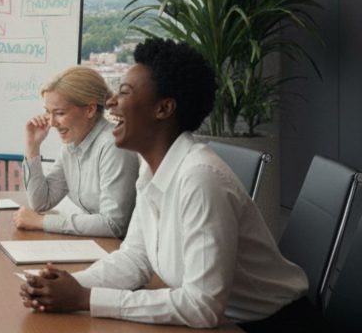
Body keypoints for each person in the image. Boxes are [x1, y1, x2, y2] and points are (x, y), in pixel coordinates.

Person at [18, 38, 308, 330]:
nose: (111, 102)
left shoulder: (200, 178)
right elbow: (136, 259)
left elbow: (201, 307)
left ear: (164, 108)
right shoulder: (151, 169)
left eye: (125, 92)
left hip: (267, 325)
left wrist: (86, 299)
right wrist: (64, 285)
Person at [14, 66, 138, 238]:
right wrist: (32, 146)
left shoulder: (113, 147)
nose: (51, 122)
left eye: (59, 113)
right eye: (47, 112)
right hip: (97, 244)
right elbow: (41, 202)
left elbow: (113, 224)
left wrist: (42, 222)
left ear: (90, 110)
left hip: (119, 248)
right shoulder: (71, 146)